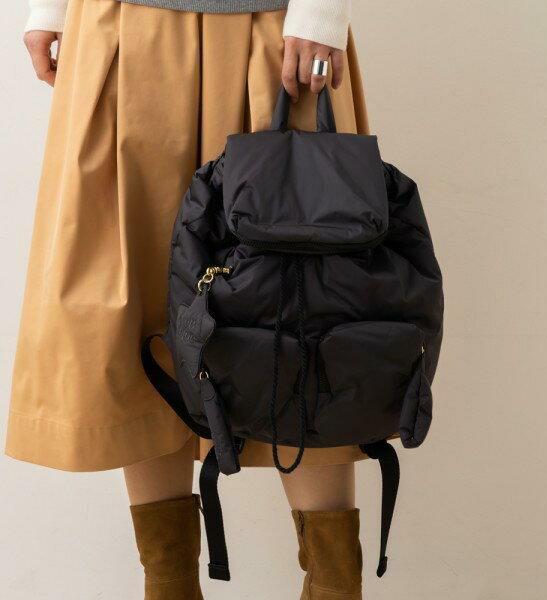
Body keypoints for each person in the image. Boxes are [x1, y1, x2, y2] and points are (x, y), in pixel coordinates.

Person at [8, 0, 369, 598]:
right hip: (122, 27)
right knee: (138, 313)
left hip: (272, 33)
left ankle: (335, 584)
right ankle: (169, 582)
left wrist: (321, 10)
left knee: (304, 312)